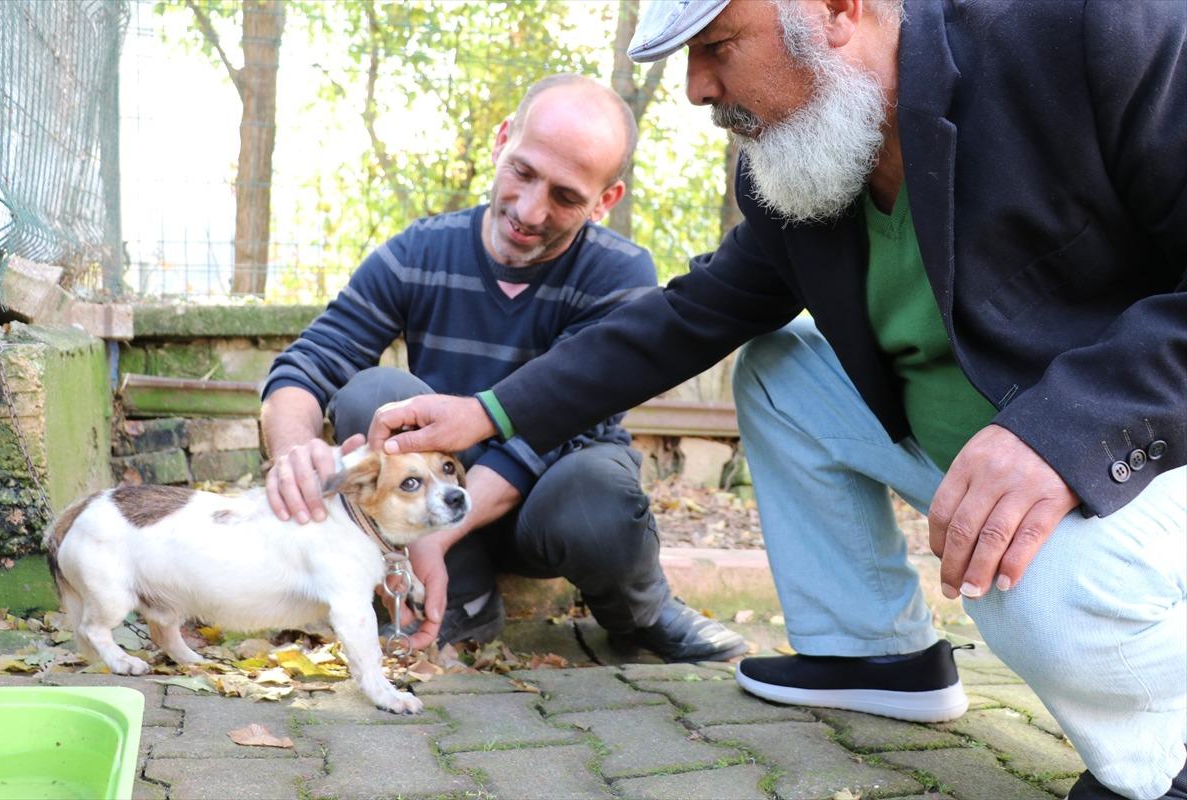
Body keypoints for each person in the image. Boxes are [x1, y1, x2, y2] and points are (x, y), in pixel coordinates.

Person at [366, 2, 1187, 799]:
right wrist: (490, 412)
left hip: (1142, 446)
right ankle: (874, 657)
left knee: (1031, 593)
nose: (693, 88)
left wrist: (1064, 428)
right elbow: (686, 317)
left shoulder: (1089, 31)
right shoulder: (802, 177)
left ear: (835, 8)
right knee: (781, 367)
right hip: (978, 449)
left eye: (718, 45)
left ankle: (1162, 764)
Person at [260, 74, 748, 665]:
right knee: (375, 395)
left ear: (605, 201)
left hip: (550, 503)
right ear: (501, 142)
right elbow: (309, 363)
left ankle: (638, 613)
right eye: (523, 172)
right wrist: (292, 452)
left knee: (596, 494)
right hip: (437, 493)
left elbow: (565, 426)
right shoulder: (420, 250)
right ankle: (461, 602)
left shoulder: (619, 274)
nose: (529, 210)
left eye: (566, 197)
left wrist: (439, 533)